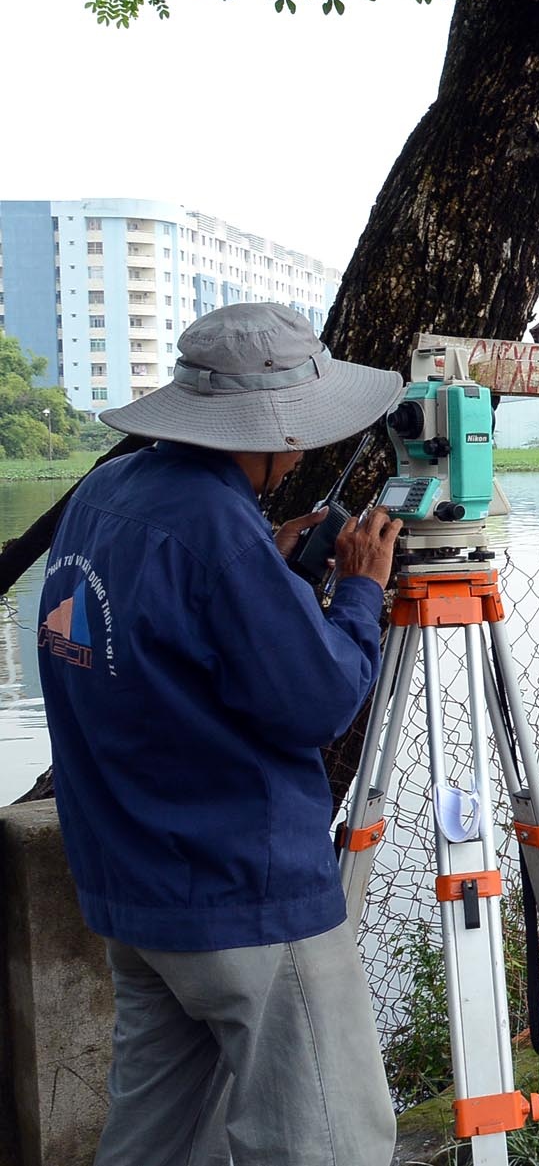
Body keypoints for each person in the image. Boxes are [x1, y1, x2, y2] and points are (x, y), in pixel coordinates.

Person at [36, 303, 406, 1166]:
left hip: (135, 896)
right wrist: (359, 591)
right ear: (275, 430)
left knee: (154, 1145)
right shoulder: (215, 530)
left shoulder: (105, 495)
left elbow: (145, 641)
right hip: (243, 900)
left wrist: (266, 564)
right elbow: (318, 699)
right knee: (326, 1142)